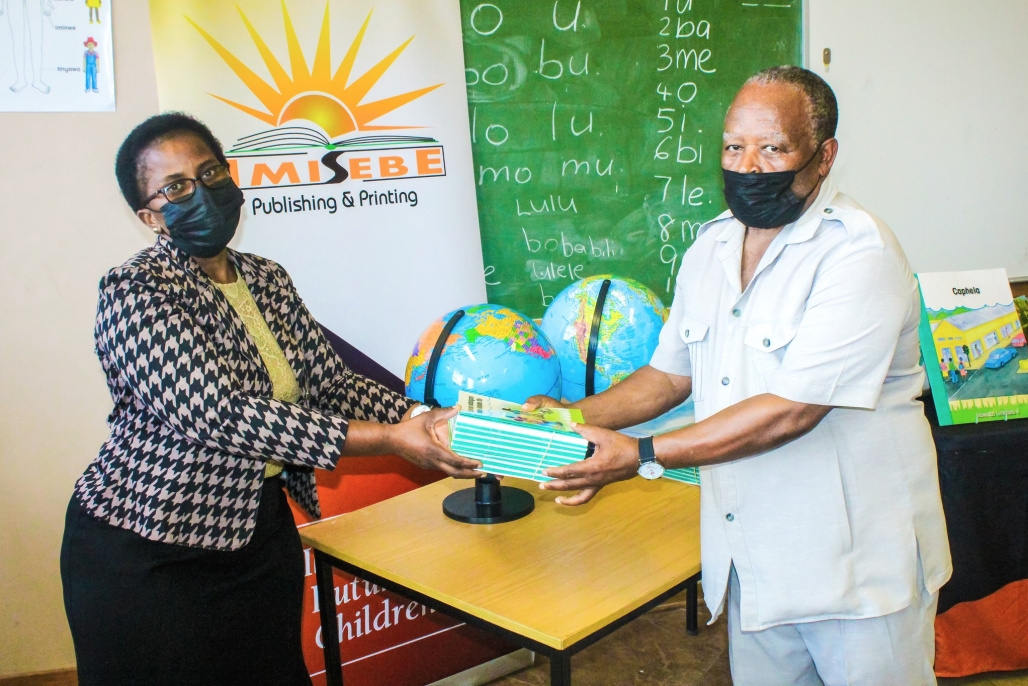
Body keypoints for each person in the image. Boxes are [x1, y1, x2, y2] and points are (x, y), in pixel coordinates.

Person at [527, 66, 951, 685]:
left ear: (824, 156)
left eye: (773, 148)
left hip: (857, 568)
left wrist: (640, 455)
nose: (749, 166)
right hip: (753, 559)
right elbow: (667, 377)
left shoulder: (858, 252)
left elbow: (794, 409)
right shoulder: (712, 247)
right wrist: (568, 418)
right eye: (733, 147)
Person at [60, 113, 482, 686]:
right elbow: (218, 414)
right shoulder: (136, 289)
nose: (200, 193)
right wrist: (390, 440)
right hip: (151, 543)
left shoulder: (267, 278)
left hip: (256, 528)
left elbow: (332, 384)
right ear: (149, 216)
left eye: (210, 172)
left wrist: (421, 417)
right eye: (175, 187)